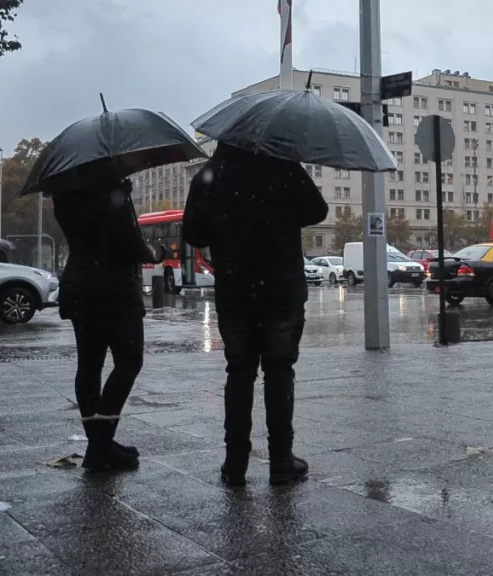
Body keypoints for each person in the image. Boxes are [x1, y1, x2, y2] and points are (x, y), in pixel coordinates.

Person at [183, 143, 328, 487]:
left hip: (235, 292)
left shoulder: (210, 175)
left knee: (239, 373)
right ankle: (281, 460)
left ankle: (235, 463)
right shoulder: (282, 166)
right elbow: (317, 211)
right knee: (279, 371)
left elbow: (192, 233)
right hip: (281, 290)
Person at [52, 178, 164, 473]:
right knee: (129, 361)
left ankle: (100, 444)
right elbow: (129, 244)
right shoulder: (110, 194)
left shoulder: (65, 194)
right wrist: (153, 254)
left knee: (89, 366)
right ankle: (100, 445)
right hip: (113, 291)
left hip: (79, 287)